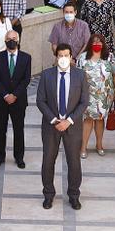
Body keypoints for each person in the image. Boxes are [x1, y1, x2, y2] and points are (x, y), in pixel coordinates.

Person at [36, 44, 87, 210]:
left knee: (74, 162)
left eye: (67, 55)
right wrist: (54, 120)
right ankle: (48, 195)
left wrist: (69, 120)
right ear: (56, 57)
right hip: (51, 127)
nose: (63, 58)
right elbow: (40, 101)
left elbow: (84, 102)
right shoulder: (46, 75)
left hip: (72, 126)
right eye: (60, 55)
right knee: (48, 161)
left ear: (72, 57)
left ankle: (74, 195)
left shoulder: (80, 75)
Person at [0, 30, 30, 168]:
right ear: (5, 41)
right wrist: (5, 95)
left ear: (18, 40)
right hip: (1, 100)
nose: (11, 40)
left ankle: (19, 157)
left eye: (14, 38)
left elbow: (26, 79)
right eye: (8, 38)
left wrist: (14, 95)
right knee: (1, 129)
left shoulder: (26, 58)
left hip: (18, 100)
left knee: (18, 129)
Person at [77, 34, 115, 158]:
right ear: (90, 43)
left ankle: (99, 145)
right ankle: (83, 147)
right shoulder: (83, 58)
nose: (97, 44)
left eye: (99, 42)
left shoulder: (109, 57)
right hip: (88, 95)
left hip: (105, 95)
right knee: (88, 120)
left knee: (100, 120)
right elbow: (78, 77)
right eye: (94, 42)